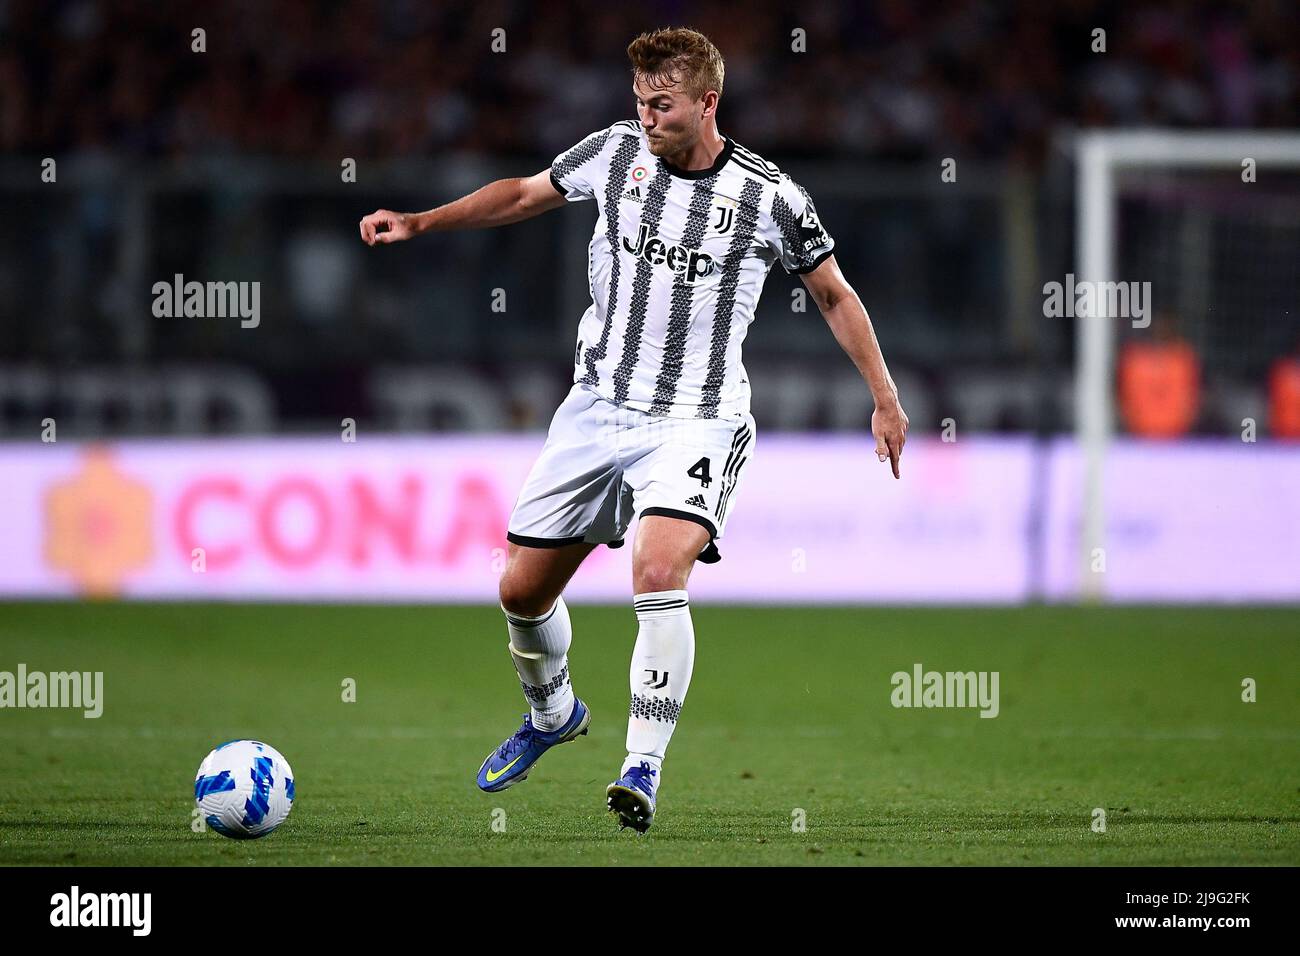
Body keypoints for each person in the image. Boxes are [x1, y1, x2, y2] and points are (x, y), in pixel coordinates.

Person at [358, 27, 908, 833]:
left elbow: (833, 293)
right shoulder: (614, 154)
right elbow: (519, 193)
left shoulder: (769, 196)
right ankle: (552, 714)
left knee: (656, 571)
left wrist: (885, 398)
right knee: (520, 590)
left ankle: (640, 766)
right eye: (639, 102)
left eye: (663, 104)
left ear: (708, 102)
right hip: (596, 408)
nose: (646, 117)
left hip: (697, 419)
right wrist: (422, 222)